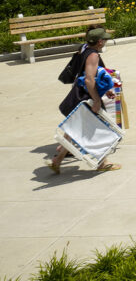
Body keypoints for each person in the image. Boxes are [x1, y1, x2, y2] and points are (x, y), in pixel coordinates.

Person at [49, 26, 121, 173]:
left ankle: (57, 160)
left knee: (74, 128)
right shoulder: (93, 55)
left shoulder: (84, 49)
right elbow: (89, 79)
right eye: (104, 39)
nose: (105, 42)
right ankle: (103, 162)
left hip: (79, 93)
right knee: (98, 127)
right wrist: (97, 100)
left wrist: (106, 90)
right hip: (86, 96)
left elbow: (90, 74)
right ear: (99, 42)